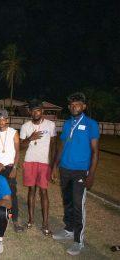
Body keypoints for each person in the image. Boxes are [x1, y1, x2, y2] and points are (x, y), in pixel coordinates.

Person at [51, 92, 100, 256]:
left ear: (84, 106)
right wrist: (54, 166)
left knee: (78, 205)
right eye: (71, 105)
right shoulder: (67, 124)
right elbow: (62, 146)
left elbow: (95, 151)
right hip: (65, 169)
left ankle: (78, 241)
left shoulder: (91, 124)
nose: (74, 107)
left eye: (77, 104)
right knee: (67, 202)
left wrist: (91, 174)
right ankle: (69, 229)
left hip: (80, 171)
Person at [20, 100, 56, 235]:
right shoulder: (25, 126)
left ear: (42, 111)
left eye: (38, 110)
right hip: (30, 161)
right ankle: (30, 220)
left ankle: (45, 224)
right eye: (33, 110)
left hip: (44, 163)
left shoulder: (50, 125)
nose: (35, 113)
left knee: (44, 192)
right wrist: (30, 138)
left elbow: (53, 146)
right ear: (30, 112)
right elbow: (20, 147)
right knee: (31, 191)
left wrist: (52, 166)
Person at [0, 109, 24, 232]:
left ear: (7, 120)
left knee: (11, 194)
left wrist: (15, 167)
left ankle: (15, 220)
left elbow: (17, 152)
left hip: (9, 167)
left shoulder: (13, 132)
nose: (1, 121)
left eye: (4, 119)